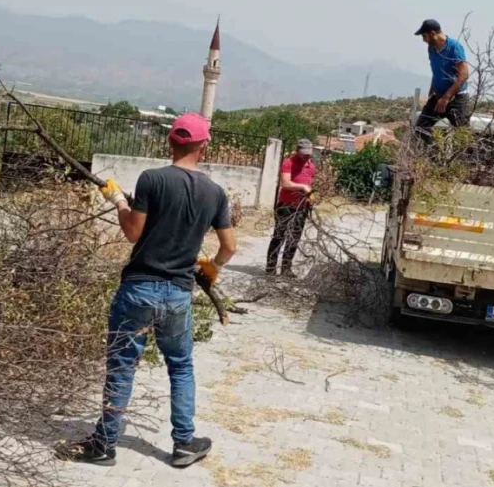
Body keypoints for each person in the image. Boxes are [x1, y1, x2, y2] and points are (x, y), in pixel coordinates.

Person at [75, 112, 237, 468]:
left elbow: (133, 232)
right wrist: (209, 271)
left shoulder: (152, 180)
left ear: (171, 142)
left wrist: (117, 201)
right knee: (180, 367)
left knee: (122, 366)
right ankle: (183, 445)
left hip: (138, 290)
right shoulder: (215, 192)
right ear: (204, 145)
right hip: (178, 294)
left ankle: (104, 445)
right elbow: (229, 247)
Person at [413, 19, 472, 143]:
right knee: (421, 128)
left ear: (433, 33)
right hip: (438, 97)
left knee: (464, 137)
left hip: (456, 98)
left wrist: (446, 97)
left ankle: (472, 161)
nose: (424, 40)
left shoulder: (454, 47)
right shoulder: (432, 49)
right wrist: (432, 91)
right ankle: (435, 157)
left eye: (425, 36)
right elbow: (436, 71)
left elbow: (464, 74)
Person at [266, 139, 316, 278]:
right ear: (297, 151)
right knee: (279, 236)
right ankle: (270, 269)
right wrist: (302, 187)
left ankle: (286, 268)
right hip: (285, 206)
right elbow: (285, 183)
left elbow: (309, 185)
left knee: (294, 238)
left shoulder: (311, 167)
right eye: (303, 154)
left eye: (308, 154)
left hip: (301, 207)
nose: (306, 156)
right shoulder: (289, 162)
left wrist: (310, 197)